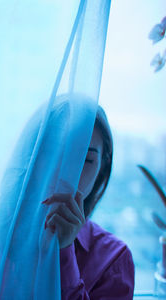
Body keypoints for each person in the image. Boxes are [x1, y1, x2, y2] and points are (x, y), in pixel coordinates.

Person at [42, 103, 135, 299]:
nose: (70, 172)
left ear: (102, 167)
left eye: (87, 160)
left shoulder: (113, 259)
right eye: (57, 154)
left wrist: (64, 251)